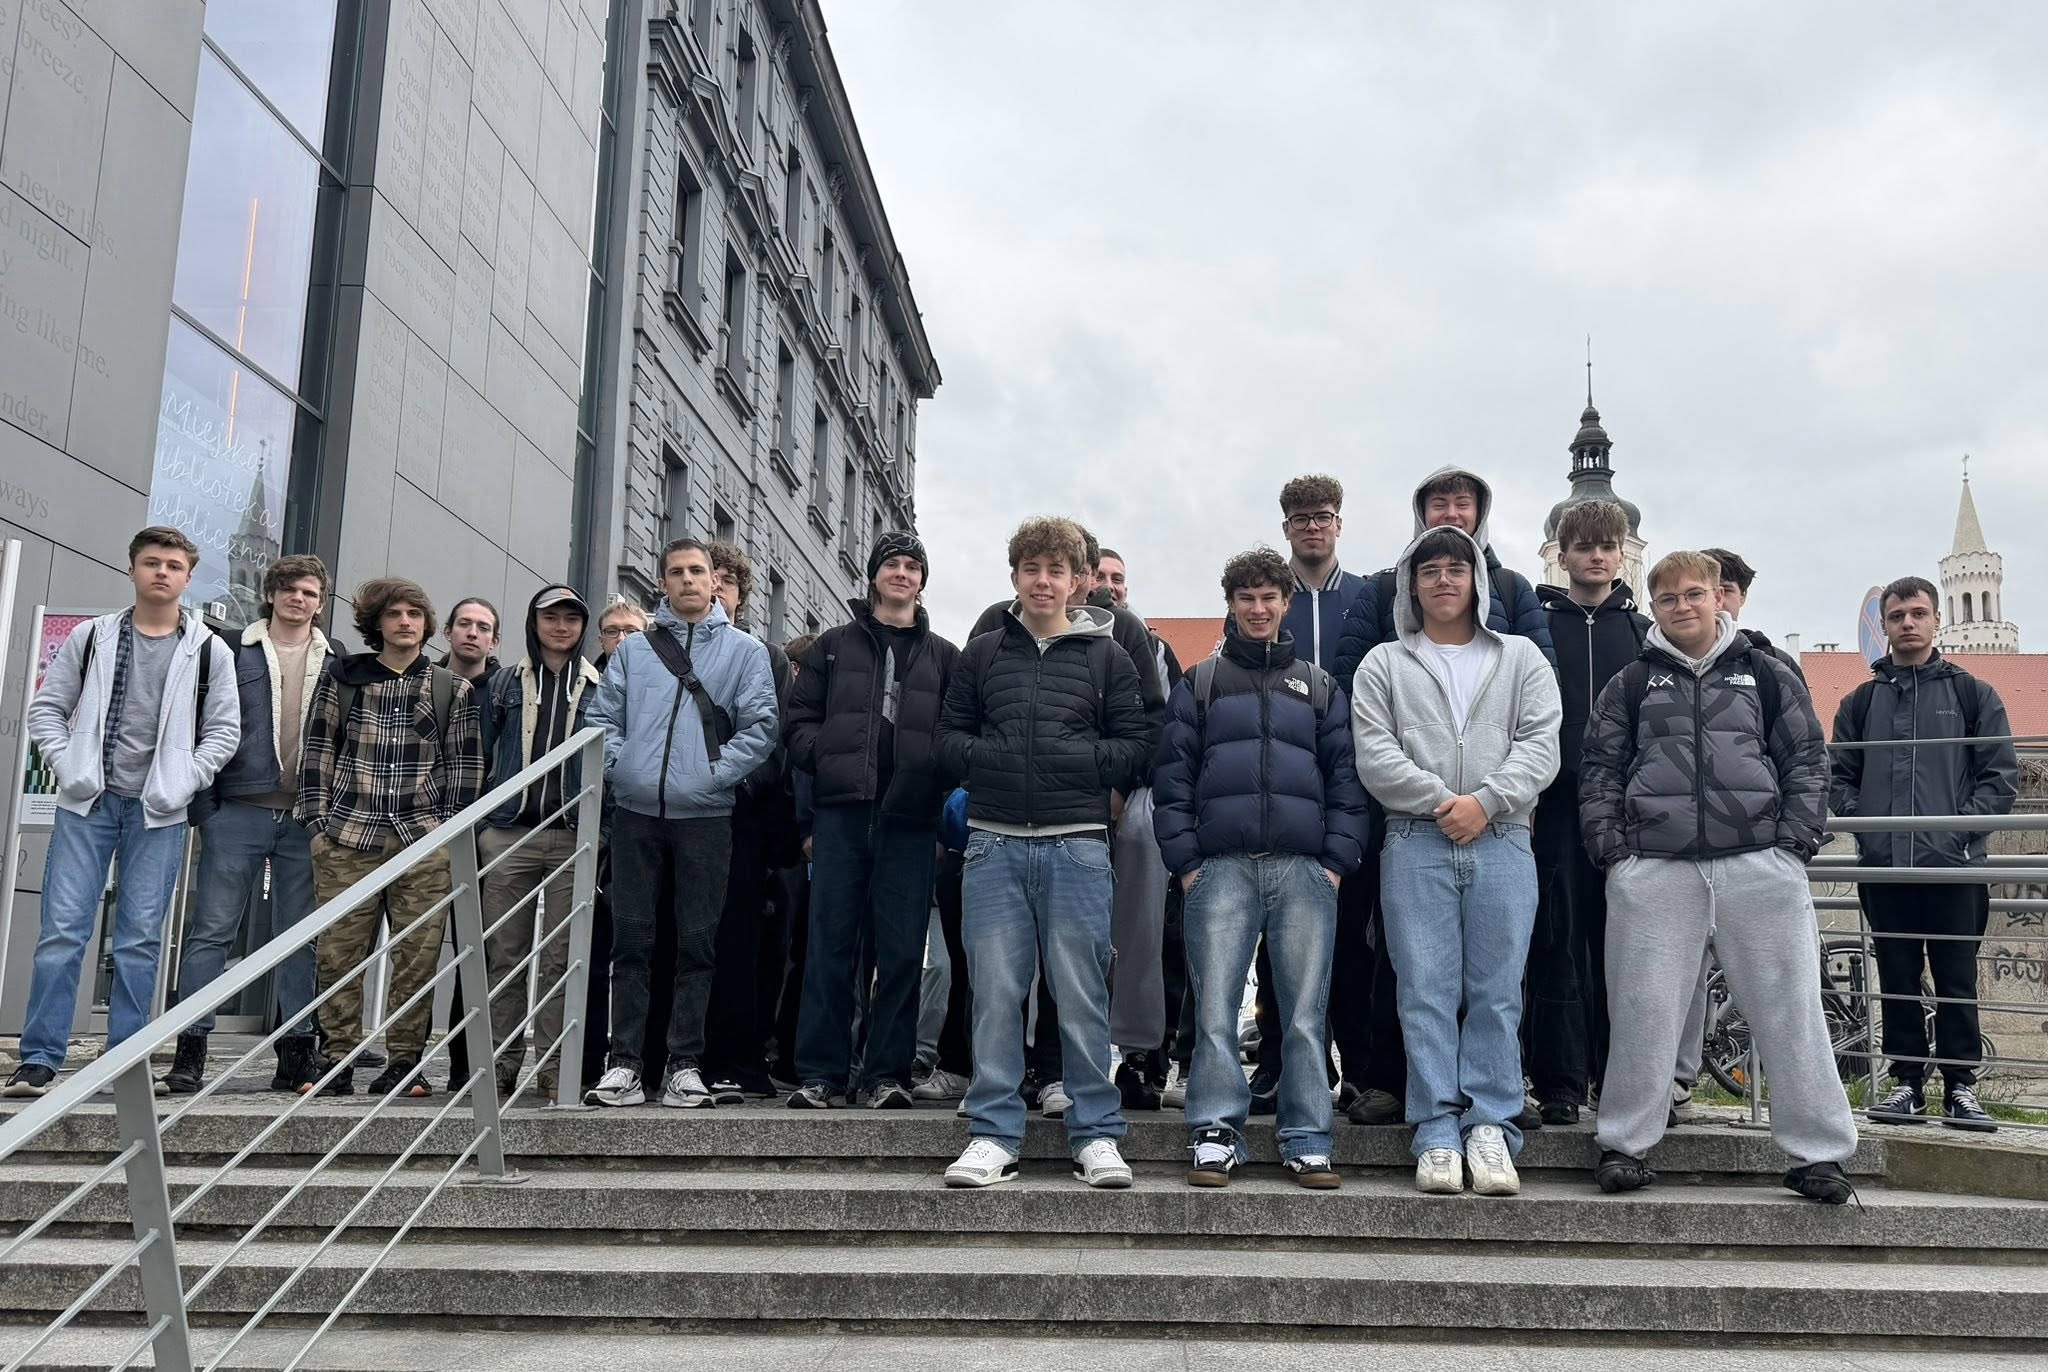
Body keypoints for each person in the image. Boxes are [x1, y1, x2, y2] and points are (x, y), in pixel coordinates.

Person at [1581, 551, 1858, 1204]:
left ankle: (1819, 1154)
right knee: (1643, 1009)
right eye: (1668, 597)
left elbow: (1806, 758)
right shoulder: (1630, 683)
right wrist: (1616, 857)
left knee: (1790, 1008)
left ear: (1717, 597)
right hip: (1655, 867)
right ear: (1653, 606)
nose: (1682, 606)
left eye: (1694, 593)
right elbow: (1599, 771)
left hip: (1757, 862)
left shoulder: (1766, 672)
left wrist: (1793, 847)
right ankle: (1624, 1145)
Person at [1332, 465, 1557, 1131]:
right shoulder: (1385, 660)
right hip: (1414, 836)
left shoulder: (1520, 655)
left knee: (1496, 992)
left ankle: (1490, 1121)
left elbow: (1542, 740)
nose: (1443, 580)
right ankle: (1433, 1122)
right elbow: (1373, 749)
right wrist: (1444, 802)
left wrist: (1487, 801)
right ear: (1411, 583)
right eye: (1429, 571)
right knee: (1422, 989)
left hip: (1502, 835)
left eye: (1456, 569)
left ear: (1477, 579)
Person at [935, 516, 1153, 1188]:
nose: (1043, 581)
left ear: (1077, 580)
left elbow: (1136, 744)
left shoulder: (1108, 657)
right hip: (994, 843)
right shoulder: (982, 653)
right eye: (1031, 568)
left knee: (1081, 995)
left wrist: (1073, 764)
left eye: (1056, 570)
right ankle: (993, 1134)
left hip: (1077, 844)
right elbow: (948, 738)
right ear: (1015, 576)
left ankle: (1096, 1134)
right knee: (996, 994)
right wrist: (994, 763)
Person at [1153, 547, 1369, 1188]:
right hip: (1219, 869)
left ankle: (1308, 1138)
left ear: (1285, 603)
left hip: (1304, 871)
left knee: (1304, 1015)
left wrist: (1336, 862)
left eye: (1269, 597)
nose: (1258, 608)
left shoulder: (1319, 686)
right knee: (1216, 1013)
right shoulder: (1202, 682)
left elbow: (1346, 779)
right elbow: (1172, 779)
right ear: (1231, 605)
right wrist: (1186, 863)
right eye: (1246, 597)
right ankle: (1215, 1133)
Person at [5, 528, 240, 1099]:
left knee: (139, 940)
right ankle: (38, 1060)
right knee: (62, 932)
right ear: (132, 569)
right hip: (88, 804)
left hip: (158, 812)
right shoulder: (91, 637)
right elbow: (46, 711)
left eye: (174, 565)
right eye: (151, 562)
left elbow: (224, 732)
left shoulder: (210, 650)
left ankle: (124, 1063)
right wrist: (71, 768)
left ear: (188, 577)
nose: (162, 572)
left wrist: (182, 781)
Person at [583, 538, 778, 1109]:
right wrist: (625, 770)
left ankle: (685, 1066)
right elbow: (602, 719)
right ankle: (624, 1065)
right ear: (663, 582)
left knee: (697, 945)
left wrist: (714, 776)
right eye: (677, 572)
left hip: (707, 816)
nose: (688, 580)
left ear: (714, 581)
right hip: (637, 813)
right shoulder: (636, 651)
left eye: (697, 571)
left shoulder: (745, 652)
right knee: (631, 943)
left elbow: (761, 728)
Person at [1831, 575, 2016, 1132]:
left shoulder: (1972, 695)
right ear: (1884, 626)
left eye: (1917, 613)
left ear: (1937, 620)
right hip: (1886, 870)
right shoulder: (1860, 702)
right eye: (1897, 616)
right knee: (1897, 979)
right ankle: (1907, 1083)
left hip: (1954, 870)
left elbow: (1999, 777)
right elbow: (1838, 778)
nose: (1907, 624)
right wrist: (1870, 829)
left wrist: (1957, 835)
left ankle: (1961, 1087)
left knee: (1957, 980)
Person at [785, 532, 960, 1109]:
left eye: (912, 566)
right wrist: (828, 757)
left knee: (903, 952)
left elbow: (957, 734)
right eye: (892, 564)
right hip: (842, 813)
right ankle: (822, 1073)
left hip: (910, 820)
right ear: (874, 575)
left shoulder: (944, 656)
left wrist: (934, 779)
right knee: (831, 946)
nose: (902, 573)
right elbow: (798, 722)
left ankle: (887, 1074)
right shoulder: (832, 647)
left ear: (922, 580)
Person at [297, 578, 486, 1097]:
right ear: (376, 623)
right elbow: (317, 752)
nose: (405, 622)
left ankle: (405, 1064)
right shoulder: (342, 679)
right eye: (394, 614)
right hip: (347, 835)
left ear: (427, 626)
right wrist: (317, 827)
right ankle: (336, 1060)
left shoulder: (451, 688)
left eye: (414, 614)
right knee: (338, 955)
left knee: (417, 959)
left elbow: (466, 770)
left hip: (422, 841)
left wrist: (445, 833)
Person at [160, 555, 334, 1096]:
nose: (298, 598)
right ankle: (190, 1050)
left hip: (303, 819)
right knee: (212, 931)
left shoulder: (336, 660)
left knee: (299, 939)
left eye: (308, 592)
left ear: (320, 603)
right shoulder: (232, 649)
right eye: (288, 589)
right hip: (237, 810)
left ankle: (297, 1052)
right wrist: (205, 808)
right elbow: (199, 725)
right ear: (271, 594)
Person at [1526, 503, 1647, 1123]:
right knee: (1557, 942)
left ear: (1621, 554)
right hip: (1555, 806)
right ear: (1563, 555)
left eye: (1607, 547)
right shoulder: (1538, 630)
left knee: (1625, 948)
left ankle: (1622, 1080)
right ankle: (1560, 1083)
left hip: (1629, 812)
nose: (1596, 557)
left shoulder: (1644, 633)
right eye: (1583, 547)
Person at [477, 585, 603, 1106]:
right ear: (534, 622)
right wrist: (482, 826)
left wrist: (603, 833)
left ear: (583, 627)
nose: (561, 626)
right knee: (504, 957)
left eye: (572, 618)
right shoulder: (504, 682)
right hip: (510, 832)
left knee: (562, 961)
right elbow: (482, 752)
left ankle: (553, 1071)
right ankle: (499, 1068)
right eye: (551, 616)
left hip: (574, 834)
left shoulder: (601, 686)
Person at [697, 541, 796, 1101]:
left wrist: (728, 784)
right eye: (706, 578)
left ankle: (734, 1058)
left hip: (740, 816)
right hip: (675, 814)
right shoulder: (658, 650)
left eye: (726, 582)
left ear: (740, 596)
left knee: (737, 941)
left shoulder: (767, 657)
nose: (715, 589)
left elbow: (773, 739)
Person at [581, 597, 648, 1086]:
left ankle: (635, 1060)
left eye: (631, 631)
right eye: (612, 631)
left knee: (638, 951)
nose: (621, 639)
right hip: (590, 838)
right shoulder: (585, 687)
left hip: (643, 832)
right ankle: (585, 1064)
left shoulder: (659, 684)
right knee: (589, 956)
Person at [442, 598, 502, 685]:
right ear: (448, 632)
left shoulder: (504, 690)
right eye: (464, 624)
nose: (472, 633)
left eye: (483, 628)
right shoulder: (424, 681)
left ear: (494, 642)